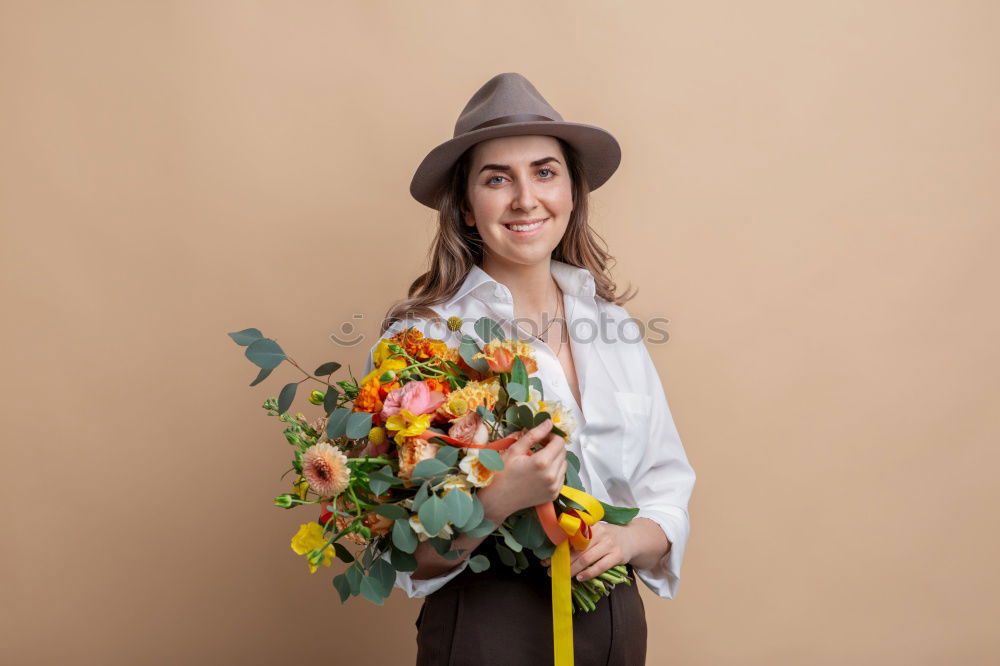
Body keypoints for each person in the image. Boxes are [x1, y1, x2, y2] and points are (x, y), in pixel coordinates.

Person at [363, 72, 696, 666]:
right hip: (488, 628)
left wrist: (625, 540)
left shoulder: (614, 327)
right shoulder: (422, 341)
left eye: (545, 172)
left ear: (572, 191)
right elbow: (402, 547)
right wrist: (494, 503)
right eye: (497, 179)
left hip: (615, 621)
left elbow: (666, 487)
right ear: (466, 206)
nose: (525, 199)